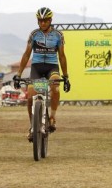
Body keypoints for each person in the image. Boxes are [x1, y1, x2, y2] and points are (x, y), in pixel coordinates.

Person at [12, 7, 70, 141]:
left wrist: (66, 76)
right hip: (37, 68)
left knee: (55, 86)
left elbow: (62, 56)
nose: (42, 23)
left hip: (52, 67)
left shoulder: (58, 35)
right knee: (31, 97)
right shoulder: (34, 34)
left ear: (50, 20)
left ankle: (53, 117)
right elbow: (27, 54)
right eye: (40, 21)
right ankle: (32, 126)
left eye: (45, 20)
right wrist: (19, 74)